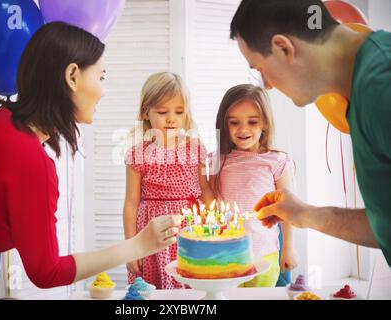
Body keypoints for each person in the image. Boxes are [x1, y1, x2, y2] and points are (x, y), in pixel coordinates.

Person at [0, 22, 183, 300]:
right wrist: (139, 245)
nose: (104, 91)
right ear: (72, 76)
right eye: (101, 77)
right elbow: (47, 272)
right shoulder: (28, 159)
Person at [230, 0, 391, 266]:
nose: (267, 86)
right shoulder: (361, 89)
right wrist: (305, 214)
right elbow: (385, 224)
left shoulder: (382, 85)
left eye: (260, 69)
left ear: (284, 48)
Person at [123, 72, 214, 289]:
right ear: (146, 112)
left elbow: (206, 190)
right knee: (155, 290)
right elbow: (131, 203)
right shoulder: (137, 154)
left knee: (193, 289)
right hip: (153, 230)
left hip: (190, 228)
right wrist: (130, 248)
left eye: (179, 112)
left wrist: (215, 229)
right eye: (163, 112)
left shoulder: (195, 148)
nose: (172, 118)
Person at [211, 84, 298, 287]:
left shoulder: (277, 161)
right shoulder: (216, 161)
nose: (243, 129)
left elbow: (288, 209)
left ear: (265, 123)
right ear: (224, 125)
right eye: (234, 122)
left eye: (252, 121)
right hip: (225, 257)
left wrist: (289, 248)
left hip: (264, 254)